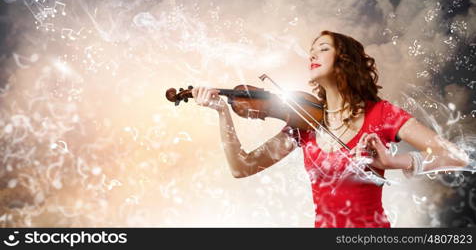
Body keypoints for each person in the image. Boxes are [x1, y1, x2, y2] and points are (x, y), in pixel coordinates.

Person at [191, 30, 469, 228]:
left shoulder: (381, 114)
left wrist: (393, 161)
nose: (313, 53)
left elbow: (456, 156)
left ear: (345, 60)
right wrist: (222, 112)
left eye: (323, 48)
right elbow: (243, 167)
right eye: (311, 50)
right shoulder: (304, 123)